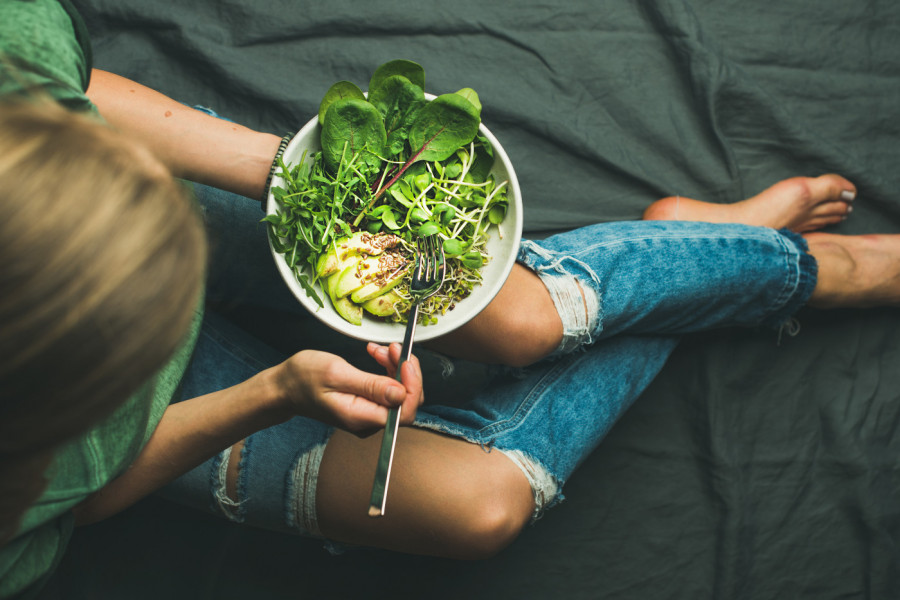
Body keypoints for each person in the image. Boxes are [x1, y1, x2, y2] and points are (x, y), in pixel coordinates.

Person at [3, 0, 900, 597]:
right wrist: (267, 395)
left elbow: (60, 89)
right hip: (123, 392)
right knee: (480, 507)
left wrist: (298, 178)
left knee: (517, 321)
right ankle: (715, 257)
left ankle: (786, 265)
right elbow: (79, 499)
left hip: (136, 194)